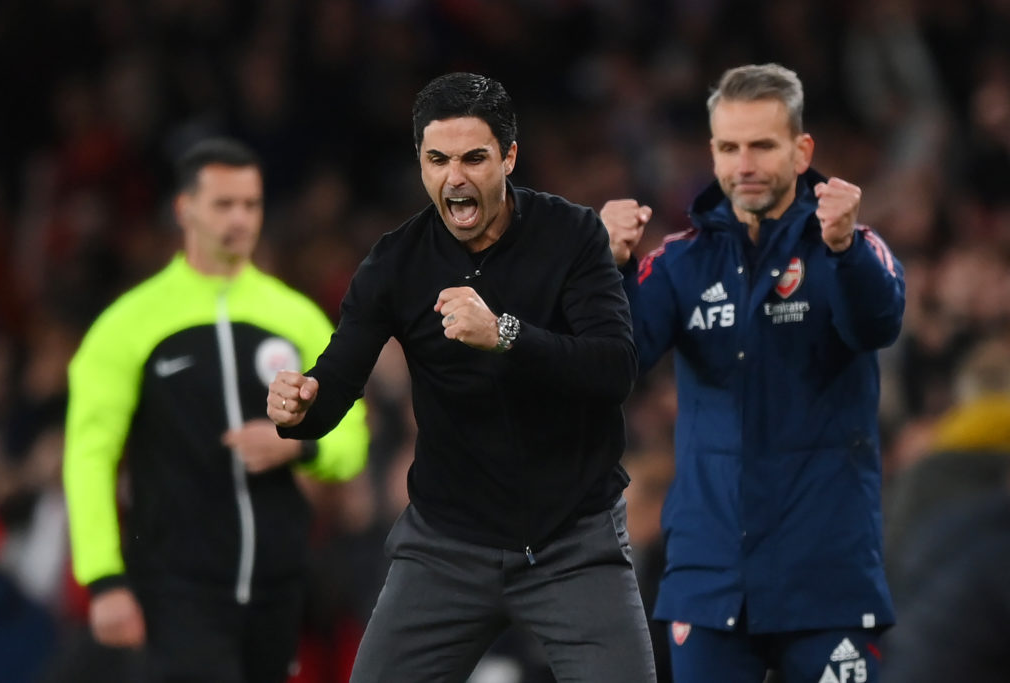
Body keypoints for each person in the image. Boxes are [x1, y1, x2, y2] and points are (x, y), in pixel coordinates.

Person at [268, 72, 656, 683]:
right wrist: (301, 407)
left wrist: (505, 333)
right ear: (419, 162)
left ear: (509, 157)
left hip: (573, 541)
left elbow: (614, 369)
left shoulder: (573, 235)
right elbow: (336, 380)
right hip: (446, 547)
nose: (456, 177)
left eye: (475, 157)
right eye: (437, 159)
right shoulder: (395, 262)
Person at [601, 63, 905, 683]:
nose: (745, 163)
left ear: (802, 151)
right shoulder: (680, 262)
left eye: (763, 145)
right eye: (730, 146)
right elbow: (613, 365)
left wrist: (844, 250)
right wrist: (608, 269)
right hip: (712, 580)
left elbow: (877, 324)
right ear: (712, 151)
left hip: (828, 579)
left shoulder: (850, 245)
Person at [63, 137, 369, 683]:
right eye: (223, 204)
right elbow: (89, 458)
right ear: (185, 210)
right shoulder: (129, 324)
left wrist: (298, 446)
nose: (240, 219)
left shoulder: (294, 317)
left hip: (278, 585)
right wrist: (104, 580)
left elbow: (352, 436)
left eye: (251, 204)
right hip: (179, 588)